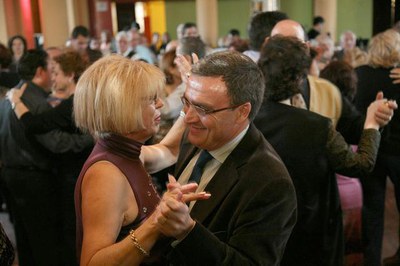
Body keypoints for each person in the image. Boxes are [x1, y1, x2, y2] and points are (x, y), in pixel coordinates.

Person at [255, 35, 393, 266]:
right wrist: (372, 123)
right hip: (312, 224)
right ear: (300, 76)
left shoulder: (246, 116)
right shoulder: (316, 124)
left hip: (264, 223)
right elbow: (360, 164)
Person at [152, 51, 297, 265]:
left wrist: (188, 232)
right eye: (187, 102)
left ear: (242, 112)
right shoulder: (195, 135)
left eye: (203, 108)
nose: (189, 117)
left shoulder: (270, 183)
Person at [73, 55, 208, 265]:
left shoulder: (127, 152)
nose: (161, 104)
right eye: (152, 99)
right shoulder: (106, 175)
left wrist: (189, 102)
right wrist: (157, 221)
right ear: (123, 107)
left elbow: (169, 150)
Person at [7, 50, 93, 265]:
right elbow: (55, 139)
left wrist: (16, 102)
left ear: (70, 75)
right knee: (50, 239)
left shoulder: (15, 96)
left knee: (33, 238)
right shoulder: (53, 101)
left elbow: (36, 126)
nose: (53, 77)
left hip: (65, 178)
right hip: (52, 177)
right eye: (51, 72)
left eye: (57, 73)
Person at [353, 29, 400, 266]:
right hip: (398, 151)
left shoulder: (359, 74)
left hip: (370, 147)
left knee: (372, 208)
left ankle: (371, 260)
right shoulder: (398, 76)